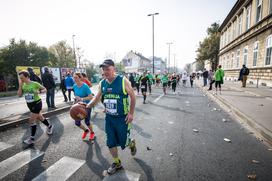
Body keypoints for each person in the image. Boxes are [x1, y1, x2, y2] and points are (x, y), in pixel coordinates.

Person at [86, 59, 136, 175]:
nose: (105, 71)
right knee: (110, 142)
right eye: (103, 69)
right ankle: (117, 162)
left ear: (114, 69)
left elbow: (133, 97)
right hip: (109, 118)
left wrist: (131, 113)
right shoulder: (102, 83)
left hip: (122, 119)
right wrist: (87, 106)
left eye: (107, 69)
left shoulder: (123, 81)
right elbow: (97, 97)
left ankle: (131, 143)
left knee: (124, 142)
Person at [17, 70, 53, 145]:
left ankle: (32, 139)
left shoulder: (34, 84)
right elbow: (19, 95)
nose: (21, 80)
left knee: (31, 121)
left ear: (27, 77)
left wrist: (39, 92)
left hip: (37, 103)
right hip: (30, 104)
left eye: (22, 78)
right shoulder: (23, 85)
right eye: (20, 78)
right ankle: (49, 126)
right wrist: (20, 86)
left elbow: (45, 89)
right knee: (40, 117)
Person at [73, 72, 95, 141]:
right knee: (77, 122)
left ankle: (92, 133)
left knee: (87, 121)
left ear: (80, 78)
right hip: (78, 106)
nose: (75, 79)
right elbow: (76, 95)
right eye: (74, 78)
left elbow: (91, 97)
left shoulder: (85, 86)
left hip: (87, 106)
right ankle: (86, 130)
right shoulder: (74, 86)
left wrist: (82, 99)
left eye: (76, 77)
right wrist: (75, 100)